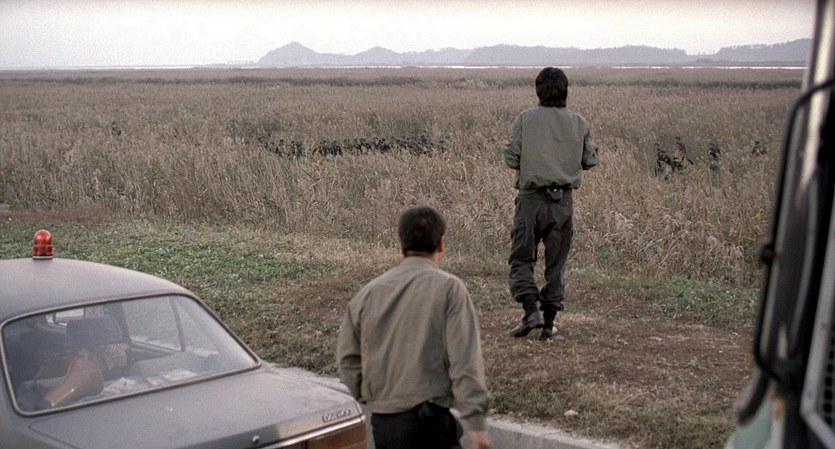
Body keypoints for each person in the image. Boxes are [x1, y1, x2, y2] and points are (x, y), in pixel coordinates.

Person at [337, 206, 492, 449]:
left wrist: (376, 399)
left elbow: (347, 360)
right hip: (428, 424)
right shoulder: (450, 289)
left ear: (401, 243)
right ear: (441, 244)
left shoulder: (369, 293)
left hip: (384, 425)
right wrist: (477, 425)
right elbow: (464, 362)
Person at [503, 67, 599, 341]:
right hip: (562, 203)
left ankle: (530, 311)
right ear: (566, 90)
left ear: (538, 90)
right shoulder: (579, 123)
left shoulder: (525, 119)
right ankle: (548, 325)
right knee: (556, 265)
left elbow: (511, 159)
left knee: (522, 258)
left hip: (530, 200)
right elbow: (590, 160)